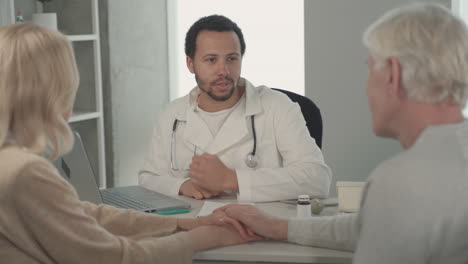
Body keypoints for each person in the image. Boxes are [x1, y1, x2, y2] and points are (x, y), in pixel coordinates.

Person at [215, 3, 468, 263]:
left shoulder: (403, 181)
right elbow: (367, 228)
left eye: (370, 69)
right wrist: (278, 227)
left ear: (393, 74)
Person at [0, 23, 259, 264]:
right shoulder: (24, 172)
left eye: (232, 58)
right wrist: (202, 239)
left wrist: (183, 224)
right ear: (52, 89)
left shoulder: (9, 160)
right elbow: (116, 258)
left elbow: (83, 213)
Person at [138, 15, 332, 202]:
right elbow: (148, 179)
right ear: (190, 64)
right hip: (193, 224)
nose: (224, 71)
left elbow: (317, 180)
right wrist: (183, 186)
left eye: (232, 59)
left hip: (261, 228)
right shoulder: (172, 114)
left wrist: (232, 179)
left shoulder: (277, 106)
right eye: (211, 60)